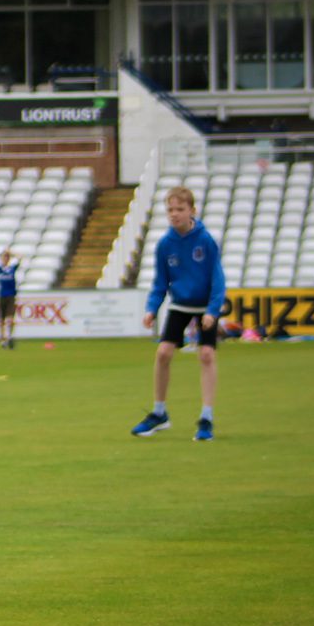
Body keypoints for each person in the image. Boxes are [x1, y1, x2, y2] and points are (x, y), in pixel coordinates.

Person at [131, 186, 226, 443]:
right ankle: (159, 413)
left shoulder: (206, 241)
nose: (174, 214)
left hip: (205, 304)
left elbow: (218, 279)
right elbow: (160, 282)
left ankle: (206, 418)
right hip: (180, 304)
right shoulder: (165, 244)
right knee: (163, 353)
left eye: (180, 209)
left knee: (206, 355)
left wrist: (212, 311)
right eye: (170, 210)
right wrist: (152, 308)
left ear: (192, 211)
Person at [0, 247, 22, 348]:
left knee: (10, 318)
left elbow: (20, 257)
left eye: (7, 257)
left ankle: (9, 337)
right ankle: (2, 339)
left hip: (11, 296)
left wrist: (10, 251)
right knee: (1, 320)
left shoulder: (12, 268)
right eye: (4, 256)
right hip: (1, 296)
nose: (6, 258)